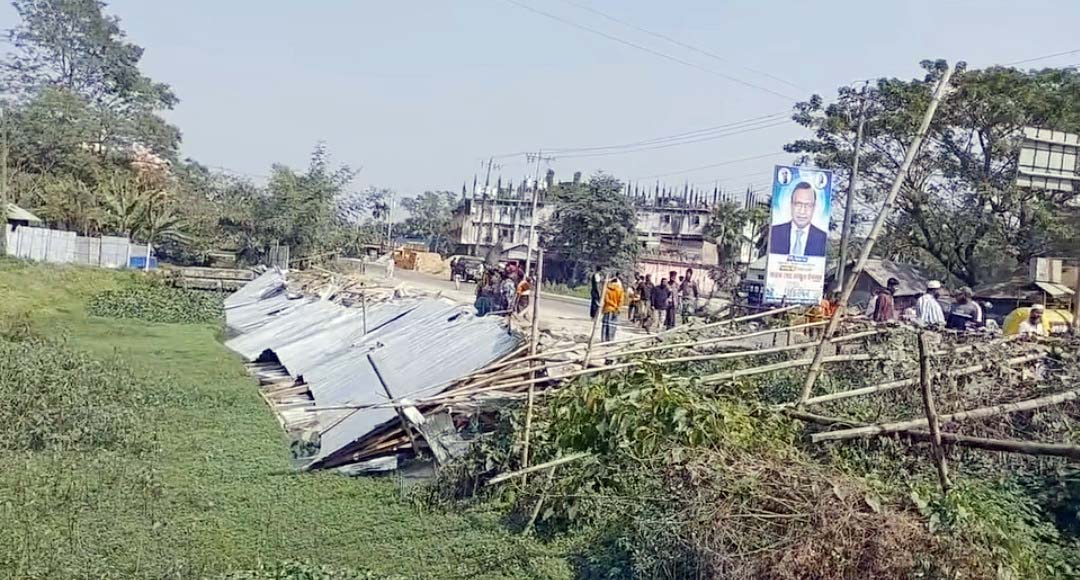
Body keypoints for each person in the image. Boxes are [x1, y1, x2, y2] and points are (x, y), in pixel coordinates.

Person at [769, 182, 828, 257]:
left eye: (808, 205)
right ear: (791, 205)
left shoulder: (822, 237)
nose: (802, 211)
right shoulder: (775, 232)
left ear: (814, 207)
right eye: (798, 204)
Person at [601, 274, 624, 343]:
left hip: (607, 309)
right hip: (615, 310)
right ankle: (610, 340)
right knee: (613, 326)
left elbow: (607, 300)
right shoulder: (620, 290)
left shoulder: (607, 289)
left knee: (605, 325)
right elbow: (621, 301)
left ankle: (604, 339)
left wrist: (613, 305)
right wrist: (617, 307)